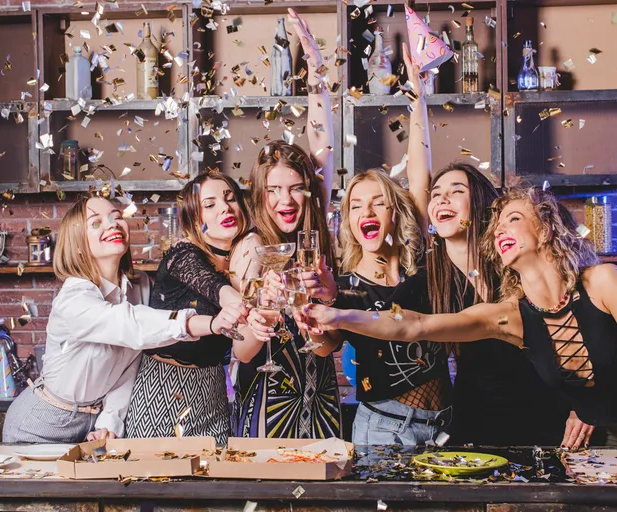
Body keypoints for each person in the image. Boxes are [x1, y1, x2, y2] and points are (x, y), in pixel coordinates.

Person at [299, 187, 617, 510]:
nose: (502, 229)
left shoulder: (602, 281)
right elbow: (416, 326)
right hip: (612, 428)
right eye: (498, 225)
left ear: (546, 228)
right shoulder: (509, 315)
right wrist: (338, 316)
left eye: (514, 217)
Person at [400, 42, 572, 448]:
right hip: (476, 422)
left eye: (455, 191)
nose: (440, 199)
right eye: (437, 193)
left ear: (478, 205)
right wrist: (419, 102)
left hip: (550, 417)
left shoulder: (514, 259)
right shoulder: (434, 278)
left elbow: (582, 332)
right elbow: (417, 182)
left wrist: (584, 407)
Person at [2, 196, 246, 444]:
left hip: (92, 424)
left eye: (116, 217)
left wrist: (109, 421)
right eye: (96, 223)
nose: (112, 225)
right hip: (42, 422)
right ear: (77, 245)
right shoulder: (73, 299)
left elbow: (130, 364)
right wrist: (210, 323)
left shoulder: (139, 286)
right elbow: (131, 325)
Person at [231, 8, 342, 439]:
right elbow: (241, 352)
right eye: (273, 191)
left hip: (322, 399)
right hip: (267, 402)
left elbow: (324, 144)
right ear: (260, 195)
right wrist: (263, 315)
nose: (285, 200)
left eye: (295, 188)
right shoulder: (252, 246)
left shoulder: (315, 241)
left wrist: (316, 69)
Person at [310, 169, 451, 445]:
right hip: (385, 428)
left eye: (378, 202)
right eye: (356, 206)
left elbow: (422, 173)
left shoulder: (421, 269)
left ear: (396, 212)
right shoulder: (343, 287)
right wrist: (312, 317)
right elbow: (324, 346)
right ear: (349, 221)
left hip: (446, 425)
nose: (367, 212)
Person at [125, 174, 251, 445]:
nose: (225, 208)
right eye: (210, 204)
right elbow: (213, 287)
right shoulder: (182, 255)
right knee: (156, 481)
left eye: (231, 199)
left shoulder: (243, 258)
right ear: (195, 219)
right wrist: (245, 305)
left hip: (213, 389)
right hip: (164, 389)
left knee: (215, 483)